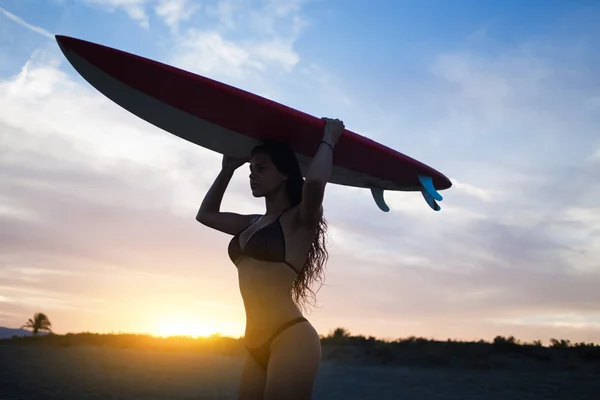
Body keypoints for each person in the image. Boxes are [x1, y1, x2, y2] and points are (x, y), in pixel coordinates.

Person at [196, 117, 345, 400]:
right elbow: (205, 215)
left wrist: (330, 138)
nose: (252, 175)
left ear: (285, 174)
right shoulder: (251, 223)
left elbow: (313, 183)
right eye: (251, 170)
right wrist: (227, 169)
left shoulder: (300, 220)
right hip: (254, 344)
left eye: (261, 169)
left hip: (291, 338)